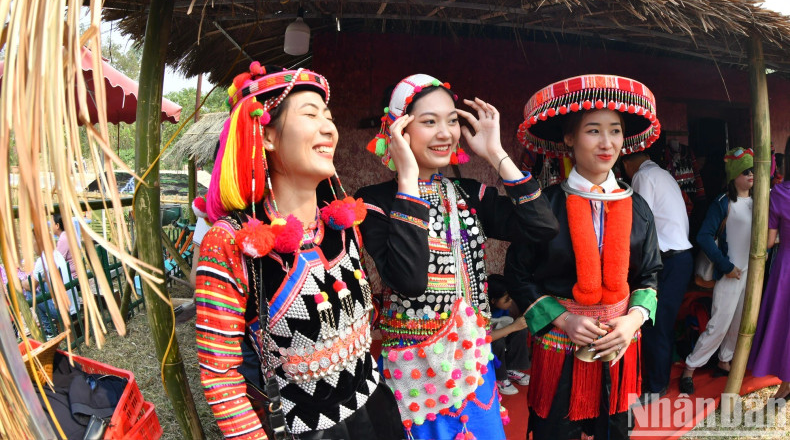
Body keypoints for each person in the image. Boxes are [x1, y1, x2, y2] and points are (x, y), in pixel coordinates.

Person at [195, 64, 401, 440]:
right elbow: (220, 377)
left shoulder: (342, 223)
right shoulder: (231, 241)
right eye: (310, 114)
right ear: (268, 136)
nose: (329, 128)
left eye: (329, 116)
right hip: (308, 431)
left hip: (377, 411)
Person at [357, 73, 559, 440]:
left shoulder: (467, 193)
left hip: (471, 363)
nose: (446, 133)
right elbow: (410, 281)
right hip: (413, 372)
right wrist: (407, 182)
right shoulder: (373, 202)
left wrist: (496, 154)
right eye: (429, 121)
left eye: (452, 120)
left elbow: (543, 228)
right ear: (398, 129)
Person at [505, 74, 663, 440]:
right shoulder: (543, 207)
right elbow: (518, 273)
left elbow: (651, 274)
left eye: (616, 130)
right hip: (560, 351)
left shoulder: (637, 207)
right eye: (593, 130)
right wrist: (563, 320)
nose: (607, 143)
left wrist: (632, 322)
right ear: (569, 138)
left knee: (615, 433)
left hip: (619, 349)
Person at [680, 147, 754, 395]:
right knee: (719, 324)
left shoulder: (758, 202)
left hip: (750, 274)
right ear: (734, 176)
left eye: (753, 170)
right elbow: (704, 237)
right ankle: (690, 367)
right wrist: (725, 265)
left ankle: (725, 359)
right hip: (730, 273)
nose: (752, 174)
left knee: (739, 322)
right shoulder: (723, 203)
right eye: (746, 171)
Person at [622, 149, 693, 401]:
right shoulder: (663, 174)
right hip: (680, 258)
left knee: (655, 324)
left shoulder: (642, 176)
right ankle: (657, 380)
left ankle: (655, 387)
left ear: (628, 163)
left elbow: (640, 222)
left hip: (668, 261)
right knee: (661, 323)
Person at [747, 137, 790, 399]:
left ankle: (785, 385)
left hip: (786, 267)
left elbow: (768, 242)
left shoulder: (780, 194)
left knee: (784, 324)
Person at [487, 274, 530, 395]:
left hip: (500, 331)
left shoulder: (502, 308)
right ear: (493, 300)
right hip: (486, 343)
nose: (510, 301)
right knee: (498, 342)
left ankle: (511, 369)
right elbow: (487, 338)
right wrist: (513, 327)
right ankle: (500, 377)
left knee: (520, 330)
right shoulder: (482, 311)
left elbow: (508, 323)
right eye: (507, 299)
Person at [30, 249, 78, 338]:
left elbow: (30, 286)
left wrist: (20, 283)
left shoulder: (42, 260)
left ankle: (50, 331)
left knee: (30, 293)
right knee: (44, 283)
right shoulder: (57, 253)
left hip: (64, 311)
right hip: (75, 306)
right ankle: (50, 328)